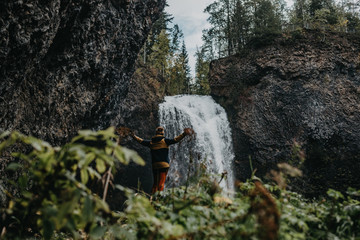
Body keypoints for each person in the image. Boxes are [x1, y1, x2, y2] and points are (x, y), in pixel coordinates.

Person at [131, 126, 191, 194]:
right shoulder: (165, 141)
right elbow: (175, 139)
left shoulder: (151, 142)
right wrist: (184, 134)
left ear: (156, 133)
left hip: (155, 165)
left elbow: (141, 141)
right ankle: (158, 198)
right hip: (164, 165)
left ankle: (152, 197)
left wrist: (133, 136)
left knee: (155, 183)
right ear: (162, 133)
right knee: (161, 183)